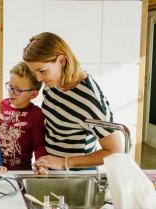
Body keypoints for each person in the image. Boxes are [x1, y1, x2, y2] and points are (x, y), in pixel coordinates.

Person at [22, 32, 122, 172]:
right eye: (35, 73)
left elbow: (115, 151)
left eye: (42, 71)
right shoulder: (54, 83)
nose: (38, 79)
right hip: (53, 170)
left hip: (75, 176)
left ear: (62, 61)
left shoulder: (90, 100)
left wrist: (64, 162)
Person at [0, 62, 47, 170]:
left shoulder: (36, 114)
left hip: (21, 171)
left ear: (33, 94)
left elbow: (39, 145)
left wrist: (41, 164)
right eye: (10, 86)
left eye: (18, 90)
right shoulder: (3, 105)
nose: (11, 92)